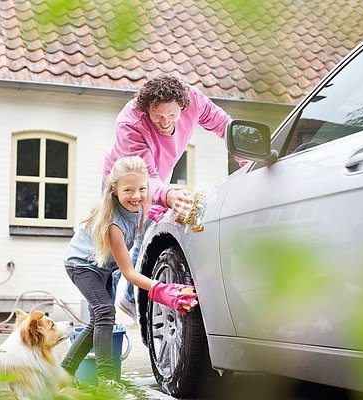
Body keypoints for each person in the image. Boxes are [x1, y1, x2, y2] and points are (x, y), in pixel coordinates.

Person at [103, 73, 239, 321]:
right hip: (124, 183)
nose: (165, 123)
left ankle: (131, 298)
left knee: (150, 228)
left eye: (172, 116)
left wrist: (245, 156)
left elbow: (225, 126)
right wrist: (169, 193)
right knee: (115, 252)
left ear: (183, 107)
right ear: (146, 111)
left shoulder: (194, 100)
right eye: (158, 116)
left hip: (157, 181)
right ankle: (103, 317)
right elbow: (145, 178)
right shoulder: (129, 123)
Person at [61, 156, 198, 388]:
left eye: (142, 189)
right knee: (105, 312)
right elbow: (129, 273)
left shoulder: (139, 205)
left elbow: (156, 209)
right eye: (128, 190)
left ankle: (63, 373)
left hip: (103, 267)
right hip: (81, 266)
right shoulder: (113, 223)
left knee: (98, 320)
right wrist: (161, 289)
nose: (136, 196)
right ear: (114, 191)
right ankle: (107, 380)